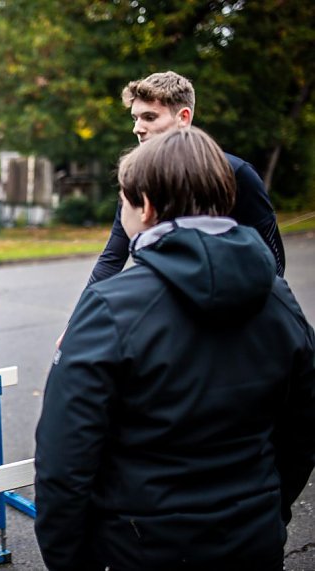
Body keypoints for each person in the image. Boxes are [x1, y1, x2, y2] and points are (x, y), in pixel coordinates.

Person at [34, 128, 315, 571]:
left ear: (145, 206)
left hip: (139, 547)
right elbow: (301, 433)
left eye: (122, 201)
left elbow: (64, 462)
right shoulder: (280, 300)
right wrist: (268, 509)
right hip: (254, 539)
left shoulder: (110, 306)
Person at [90, 70, 285, 284]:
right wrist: (86, 306)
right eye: (135, 118)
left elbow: (272, 259)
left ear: (183, 117)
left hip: (231, 297)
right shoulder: (137, 178)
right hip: (165, 298)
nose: (137, 128)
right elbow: (111, 260)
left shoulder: (234, 172)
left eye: (150, 117)